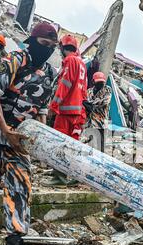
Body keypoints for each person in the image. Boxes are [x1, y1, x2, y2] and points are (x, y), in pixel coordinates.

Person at [0, 22, 58, 245]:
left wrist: (38, 140)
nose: (48, 50)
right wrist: (4, 129)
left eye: (52, 47)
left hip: (19, 142)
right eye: (44, 45)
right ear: (32, 41)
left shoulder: (51, 74)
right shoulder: (14, 60)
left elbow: (41, 111)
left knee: (21, 187)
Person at [47, 34, 87, 186]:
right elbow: (83, 90)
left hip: (65, 111)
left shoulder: (70, 61)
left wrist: (53, 106)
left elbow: (65, 84)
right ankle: (76, 174)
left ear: (62, 48)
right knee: (72, 146)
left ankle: (59, 177)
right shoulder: (82, 63)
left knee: (60, 144)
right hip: (77, 111)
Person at [84, 71, 112, 152]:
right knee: (89, 144)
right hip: (90, 122)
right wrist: (86, 103)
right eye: (98, 82)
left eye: (101, 82)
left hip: (101, 122)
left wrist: (90, 104)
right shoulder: (89, 91)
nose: (100, 84)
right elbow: (85, 101)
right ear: (93, 81)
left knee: (100, 145)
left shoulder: (107, 90)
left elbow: (104, 102)